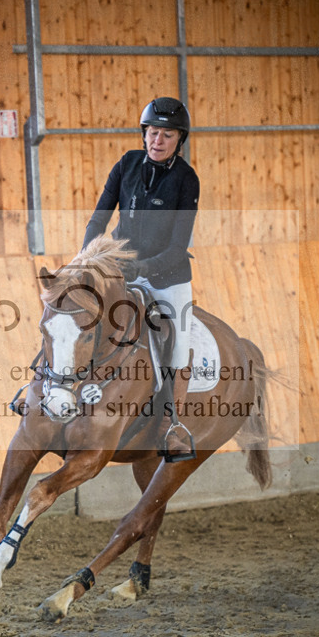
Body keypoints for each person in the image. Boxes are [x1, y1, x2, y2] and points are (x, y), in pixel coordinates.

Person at [81, 96, 199, 462]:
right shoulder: (127, 164)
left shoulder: (186, 179)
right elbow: (98, 219)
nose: (156, 141)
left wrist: (142, 269)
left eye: (165, 134)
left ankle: (173, 424)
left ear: (179, 139)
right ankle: (52, 392)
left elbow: (178, 248)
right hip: (119, 266)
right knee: (77, 315)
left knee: (177, 342)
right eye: (151, 132)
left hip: (167, 277)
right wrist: (88, 259)